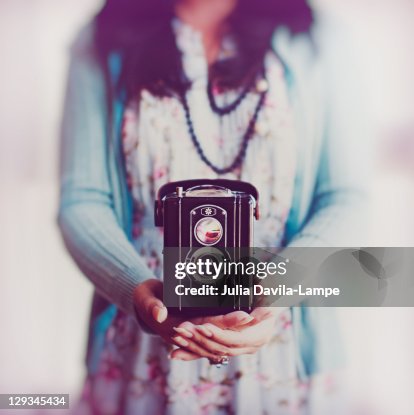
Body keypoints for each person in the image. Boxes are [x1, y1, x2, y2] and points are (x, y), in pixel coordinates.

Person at [59, 0, 363, 413]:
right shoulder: (103, 37)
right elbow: (83, 200)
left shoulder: (316, 36)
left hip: (281, 340)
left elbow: (344, 195)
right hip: (143, 341)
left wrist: (274, 292)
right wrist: (139, 294)